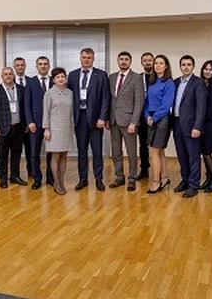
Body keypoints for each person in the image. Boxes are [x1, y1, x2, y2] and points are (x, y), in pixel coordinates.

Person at [67, 48, 111, 191]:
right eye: (84, 57)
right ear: (80, 58)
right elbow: (68, 97)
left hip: (95, 118)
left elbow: (105, 98)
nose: (86, 60)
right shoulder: (72, 75)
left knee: (97, 151)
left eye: (89, 58)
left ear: (93, 59)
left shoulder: (101, 75)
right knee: (82, 151)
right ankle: (83, 179)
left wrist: (102, 117)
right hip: (79, 118)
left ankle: (98, 179)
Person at [108, 51, 145, 191]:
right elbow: (110, 99)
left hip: (129, 122)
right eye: (121, 59)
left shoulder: (136, 78)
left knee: (131, 152)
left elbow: (139, 102)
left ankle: (132, 178)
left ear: (130, 61)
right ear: (118, 61)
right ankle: (119, 177)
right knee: (116, 151)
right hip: (113, 121)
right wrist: (107, 118)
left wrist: (134, 122)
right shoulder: (112, 77)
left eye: (126, 59)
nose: (123, 61)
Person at [172, 55, 205, 199]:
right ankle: (185, 180)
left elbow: (201, 107)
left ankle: (193, 184)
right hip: (177, 123)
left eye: (189, 64)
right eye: (183, 64)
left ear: (193, 66)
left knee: (193, 156)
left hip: (191, 125)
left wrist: (197, 126)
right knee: (181, 155)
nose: (186, 67)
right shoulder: (176, 82)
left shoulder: (198, 83)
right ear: (180, 66)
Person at [0, 67, 27, 188]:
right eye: (6, 74)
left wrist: (25, 124)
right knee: (2, 156)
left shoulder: (21, 89)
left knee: (16, 154)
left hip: (18, 127)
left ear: (13, 75)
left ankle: (15, 176)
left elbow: (25, 108)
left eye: (10, 74)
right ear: (2, 76)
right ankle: (3, 178)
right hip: (3, 129)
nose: (8, 76)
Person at [144, 55, 174, 194]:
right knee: (159, 150)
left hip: (162, 119)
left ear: (166, 66)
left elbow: (166, 104)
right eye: (156, 63)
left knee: (154, 151)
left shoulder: (169, 83)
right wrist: (147, 116)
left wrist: (155, 117)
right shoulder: (152, 81)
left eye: (161, 63)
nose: (158, 65)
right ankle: (164, 177)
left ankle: (156, 181)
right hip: (151, 118)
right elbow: (147, 102)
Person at [42, 67, 74, 195]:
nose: (61, 79)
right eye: (58, 77)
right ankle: (56, 182)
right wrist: (46, 129)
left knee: (64, 156)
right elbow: (46, 112)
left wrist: (73, 127)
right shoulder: (49, 93)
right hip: (54, 128)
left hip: (66, 128)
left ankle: (61, 181)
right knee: (55, 156)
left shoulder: (70, 93)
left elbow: (72, 112)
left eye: (62, 76)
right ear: (53, 80)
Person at [24, 56, 54, 190]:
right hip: (35, 124)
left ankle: (50, 178)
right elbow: (27, 104)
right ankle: (37, 178)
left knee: (51, 152)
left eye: (45, 64)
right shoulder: (30, 82)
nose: (43, 66)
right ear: (36, 66)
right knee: (34, 153)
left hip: (52, 123)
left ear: (49, 66)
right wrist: (29, 121)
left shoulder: (54, 81)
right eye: (40, 64)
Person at [198, 60, 212, 193]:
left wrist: (201, 122)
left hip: (209, 124)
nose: (207, 71)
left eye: (210, 69)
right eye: (205, 69)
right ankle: (208, 179)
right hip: (202, 123)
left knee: (207, 152)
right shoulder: (202, 84)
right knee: (204, 152)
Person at [136, 52, 155, 180]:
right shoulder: (138, 78)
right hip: (141, 115)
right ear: (142, 63)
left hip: (155, 116)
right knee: (143, 144)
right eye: (145, 60)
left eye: (150, 60)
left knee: (156, 144)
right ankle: (144, 169)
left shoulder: (159, 77)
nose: (147, 63)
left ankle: (159, 171)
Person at [13, 57, 32, 177]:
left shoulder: (31, 81)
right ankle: (16, 175)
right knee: (16, 151)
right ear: (14, 67)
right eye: (17, 65)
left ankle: (32, 172)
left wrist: (29, 121)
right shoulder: (9, 81)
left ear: (25, 66)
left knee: (31, 150)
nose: (20, 67)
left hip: (29, 122)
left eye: (22, 65)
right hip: (16, 122)